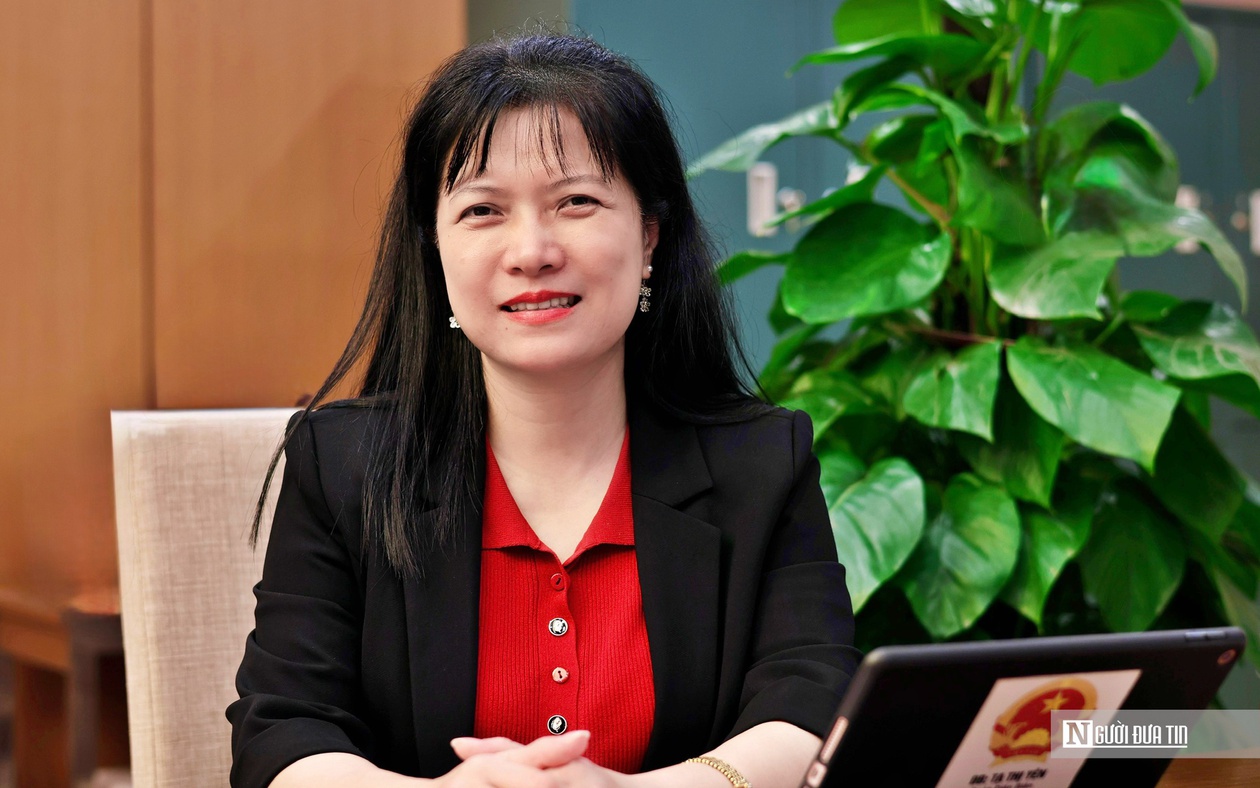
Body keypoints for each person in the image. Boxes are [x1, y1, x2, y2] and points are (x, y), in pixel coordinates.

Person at [228, 33, 859, 788]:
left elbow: (811, 706)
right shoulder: (343, 469)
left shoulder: (761, 465)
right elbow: (283, 732)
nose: (532, 251)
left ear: (649, 236)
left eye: (576, 202)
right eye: (483, 210)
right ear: (435, 251)